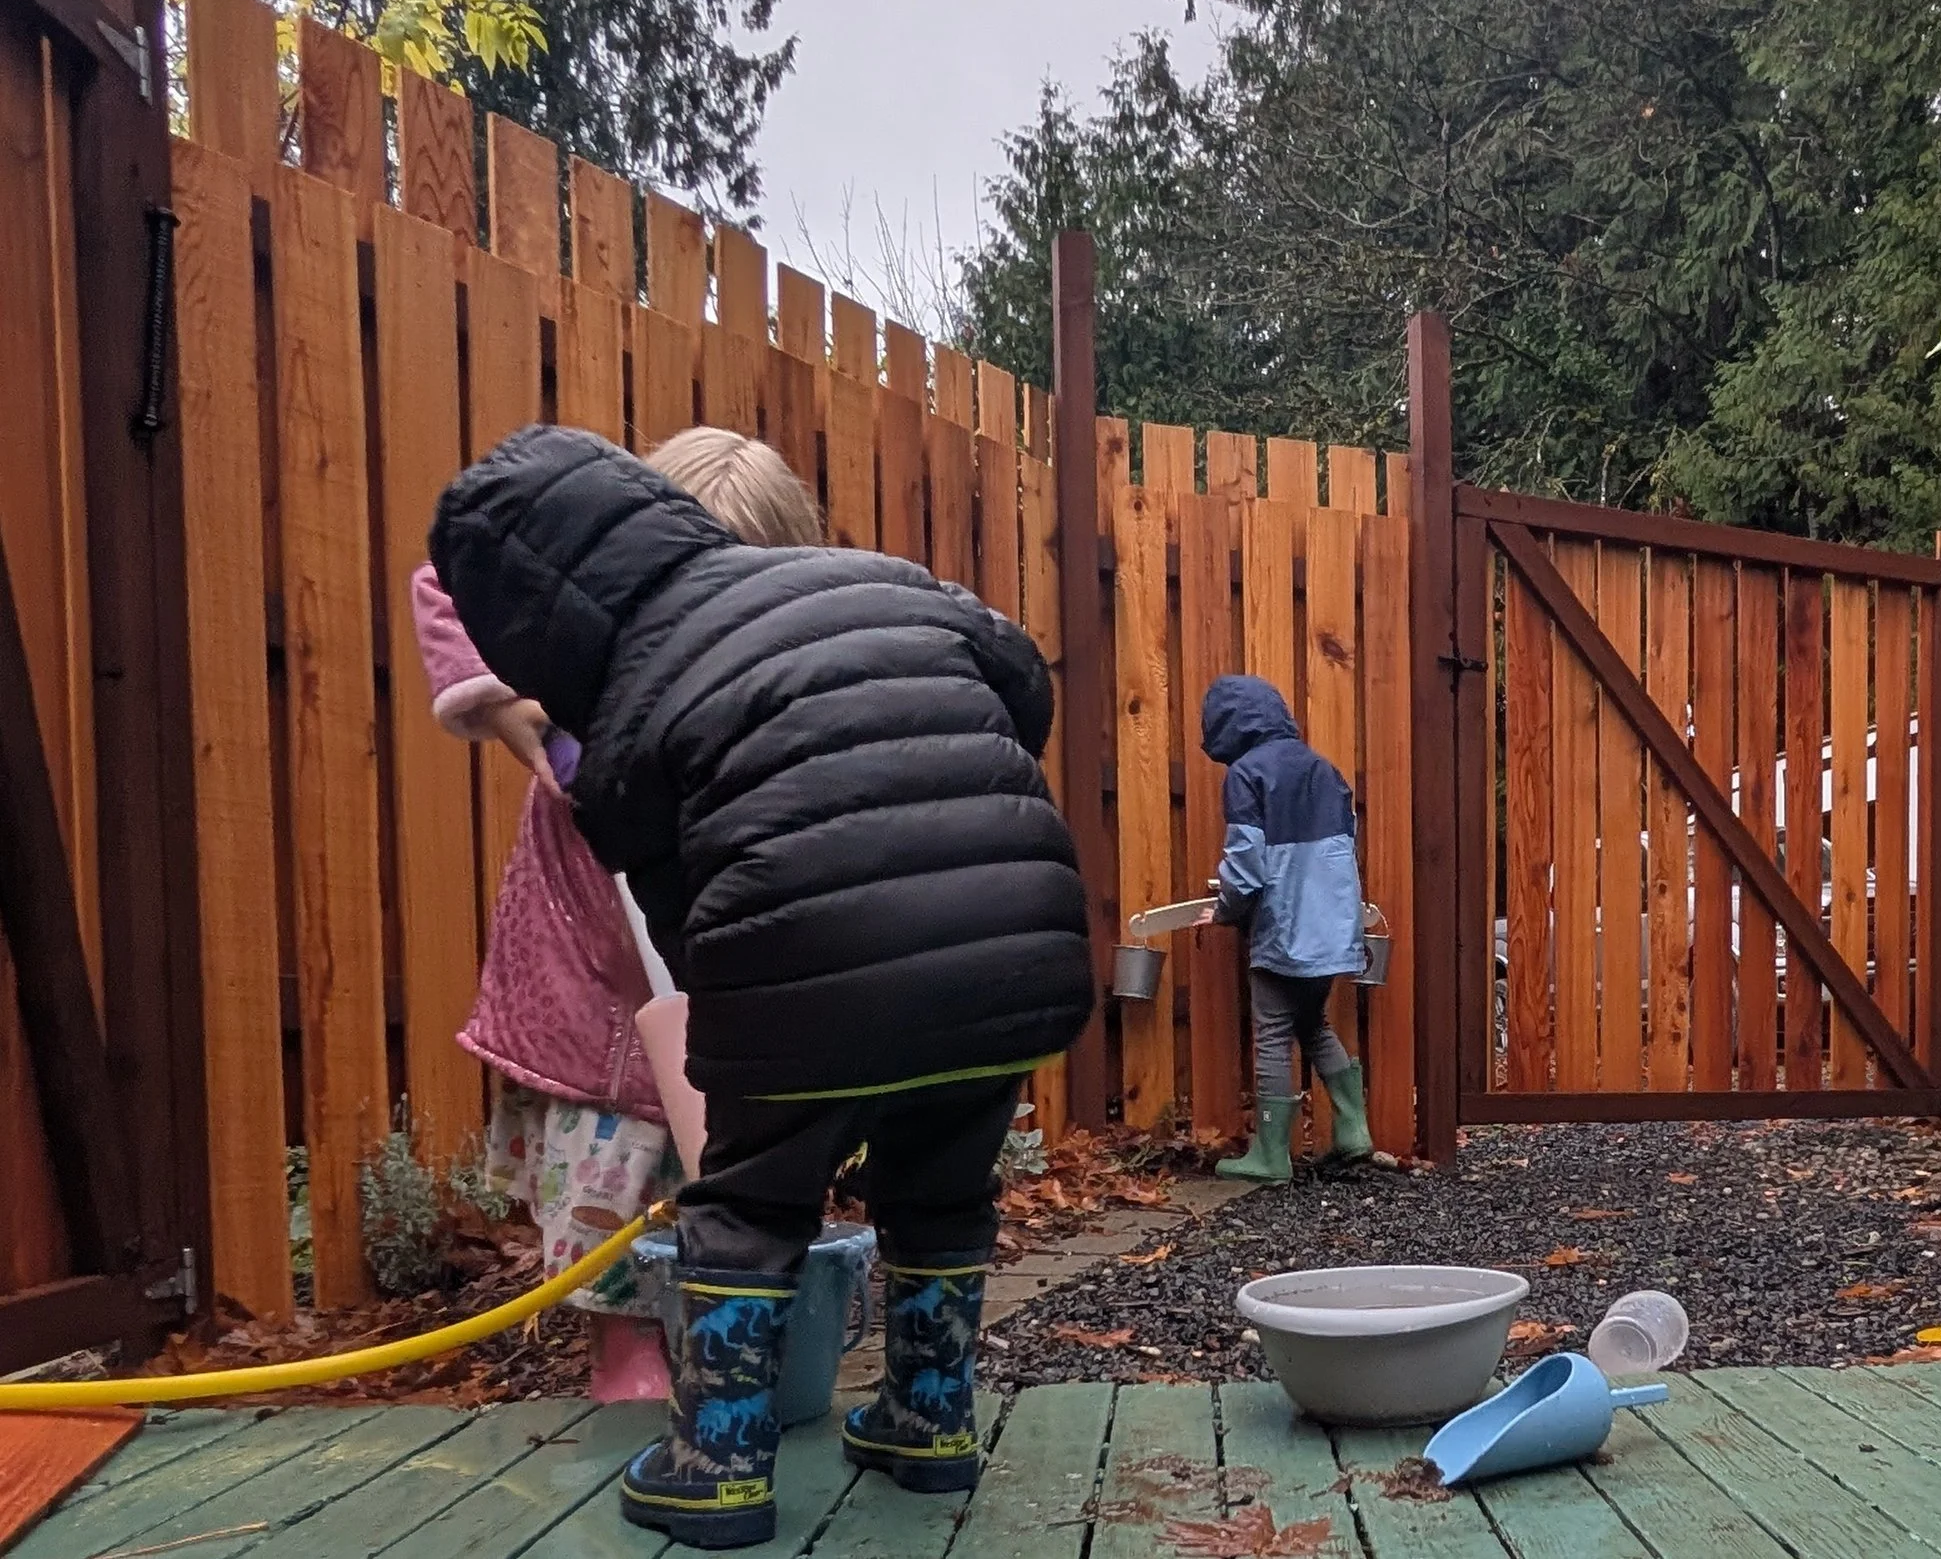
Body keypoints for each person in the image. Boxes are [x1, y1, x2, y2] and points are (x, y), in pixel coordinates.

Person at [428, 423, 1093, 1550]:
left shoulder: (636, 686)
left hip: (808, 977)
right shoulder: (875, 575)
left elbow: (650, 857)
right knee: (942, 1178)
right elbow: (1019, 677)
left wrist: (728, 1011)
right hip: (1018, 951)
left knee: (751, 1196)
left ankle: (718, 1459)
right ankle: (929, 1420)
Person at [409, 426, 824, 1408]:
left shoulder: (774, 668)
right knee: (610, 1166)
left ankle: (735, 1317)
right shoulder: (573, 634)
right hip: (590, 964)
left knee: (730, 1157)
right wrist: (528, 720)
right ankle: (624, 1343)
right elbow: (445, 580)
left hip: (722, 967)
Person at [1199, 674, 1375, 1181]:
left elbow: (1248, 864)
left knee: (1273, 1031)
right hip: (1333, 928)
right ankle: (1353, 1130)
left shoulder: (1247, 774)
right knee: (1312, 1023)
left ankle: (1271, 1157)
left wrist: (1227, 908)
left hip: (1286, 929)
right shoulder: (1325, 770)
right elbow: (1342, 852)